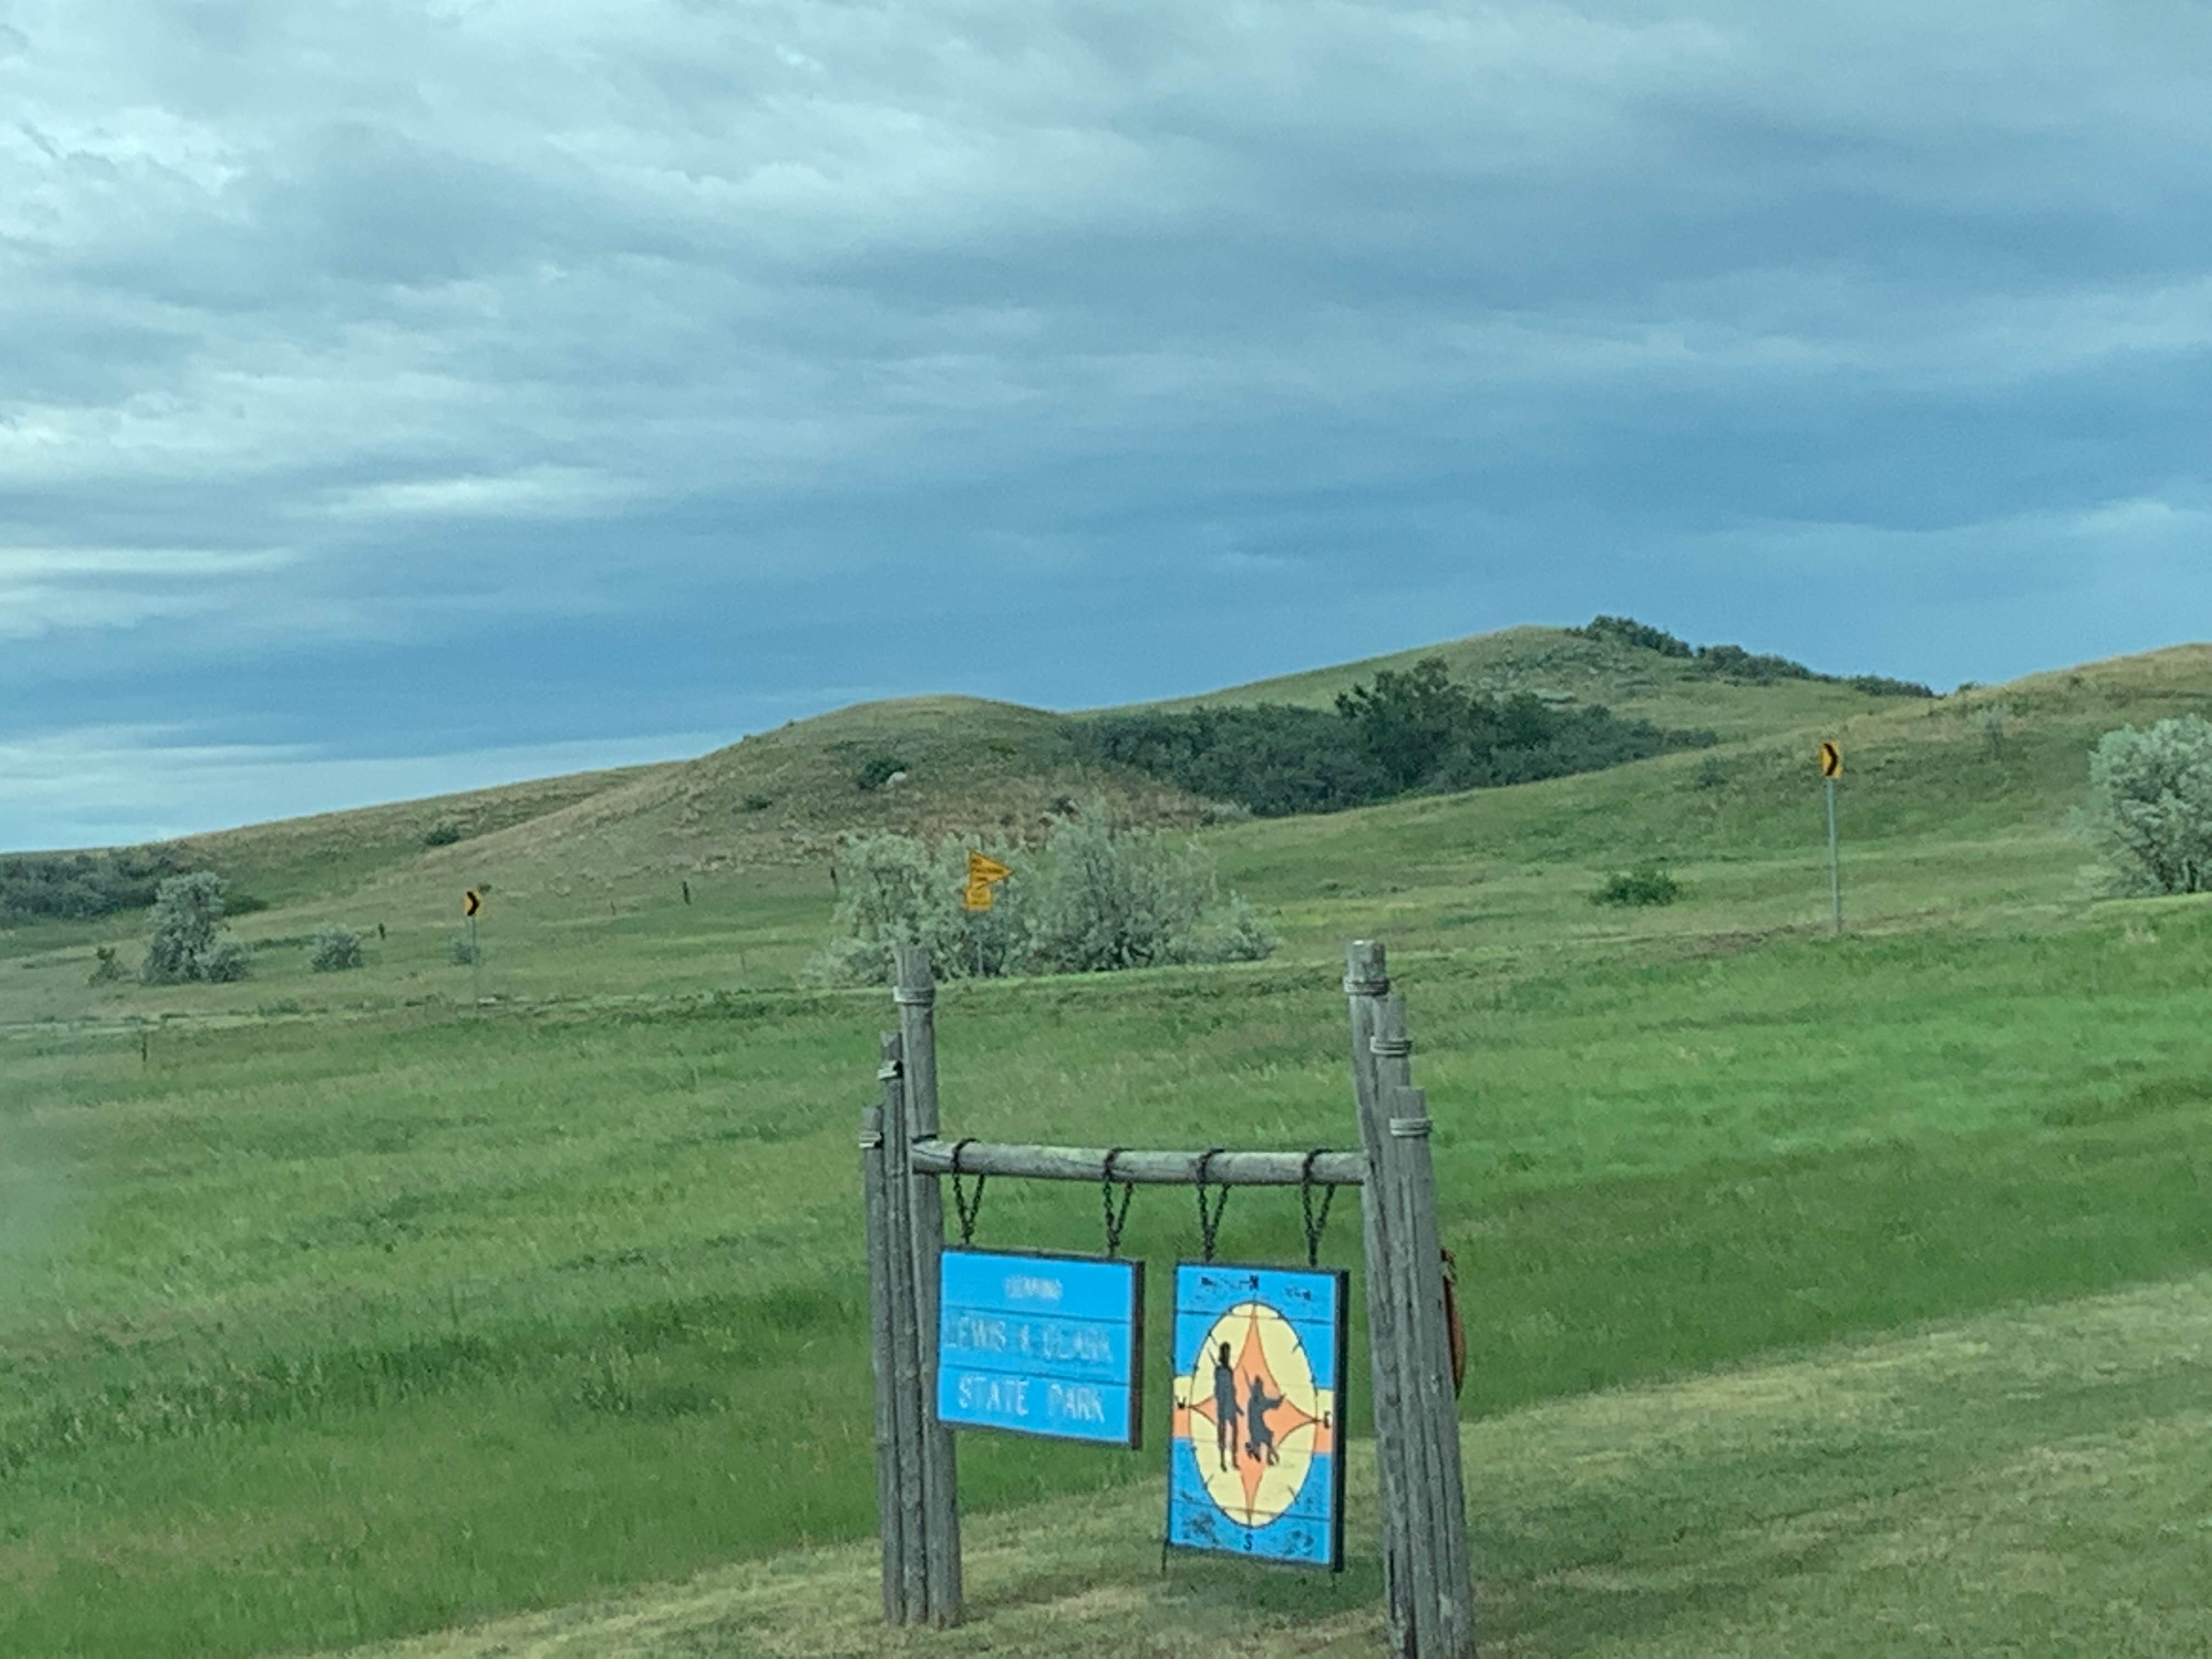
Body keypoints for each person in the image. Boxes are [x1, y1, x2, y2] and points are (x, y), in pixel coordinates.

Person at [1209, 1342, 1240, 1471]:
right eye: (1226, 1352)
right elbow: (1218, 1389)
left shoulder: (1230, 1370)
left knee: (1235, 1431)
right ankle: (1222, 1460)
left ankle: (1234, 1459)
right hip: (1222, 1403)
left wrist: (1236, 1405)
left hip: (1230, 1403)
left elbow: (1232, 1389)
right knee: (1222, 1432)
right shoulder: (1219, 1371)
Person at [1244, 1372, 1283, 1466]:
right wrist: (1280, 1399)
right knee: (1268, 1436)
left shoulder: (1251, 1401)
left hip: (1252, 1426)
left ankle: (1254, 1450)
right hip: (1258, 1426)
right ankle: (1268, 1458)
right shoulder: (1260, 1400)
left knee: (1258, 1440)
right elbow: (1272, 1404)